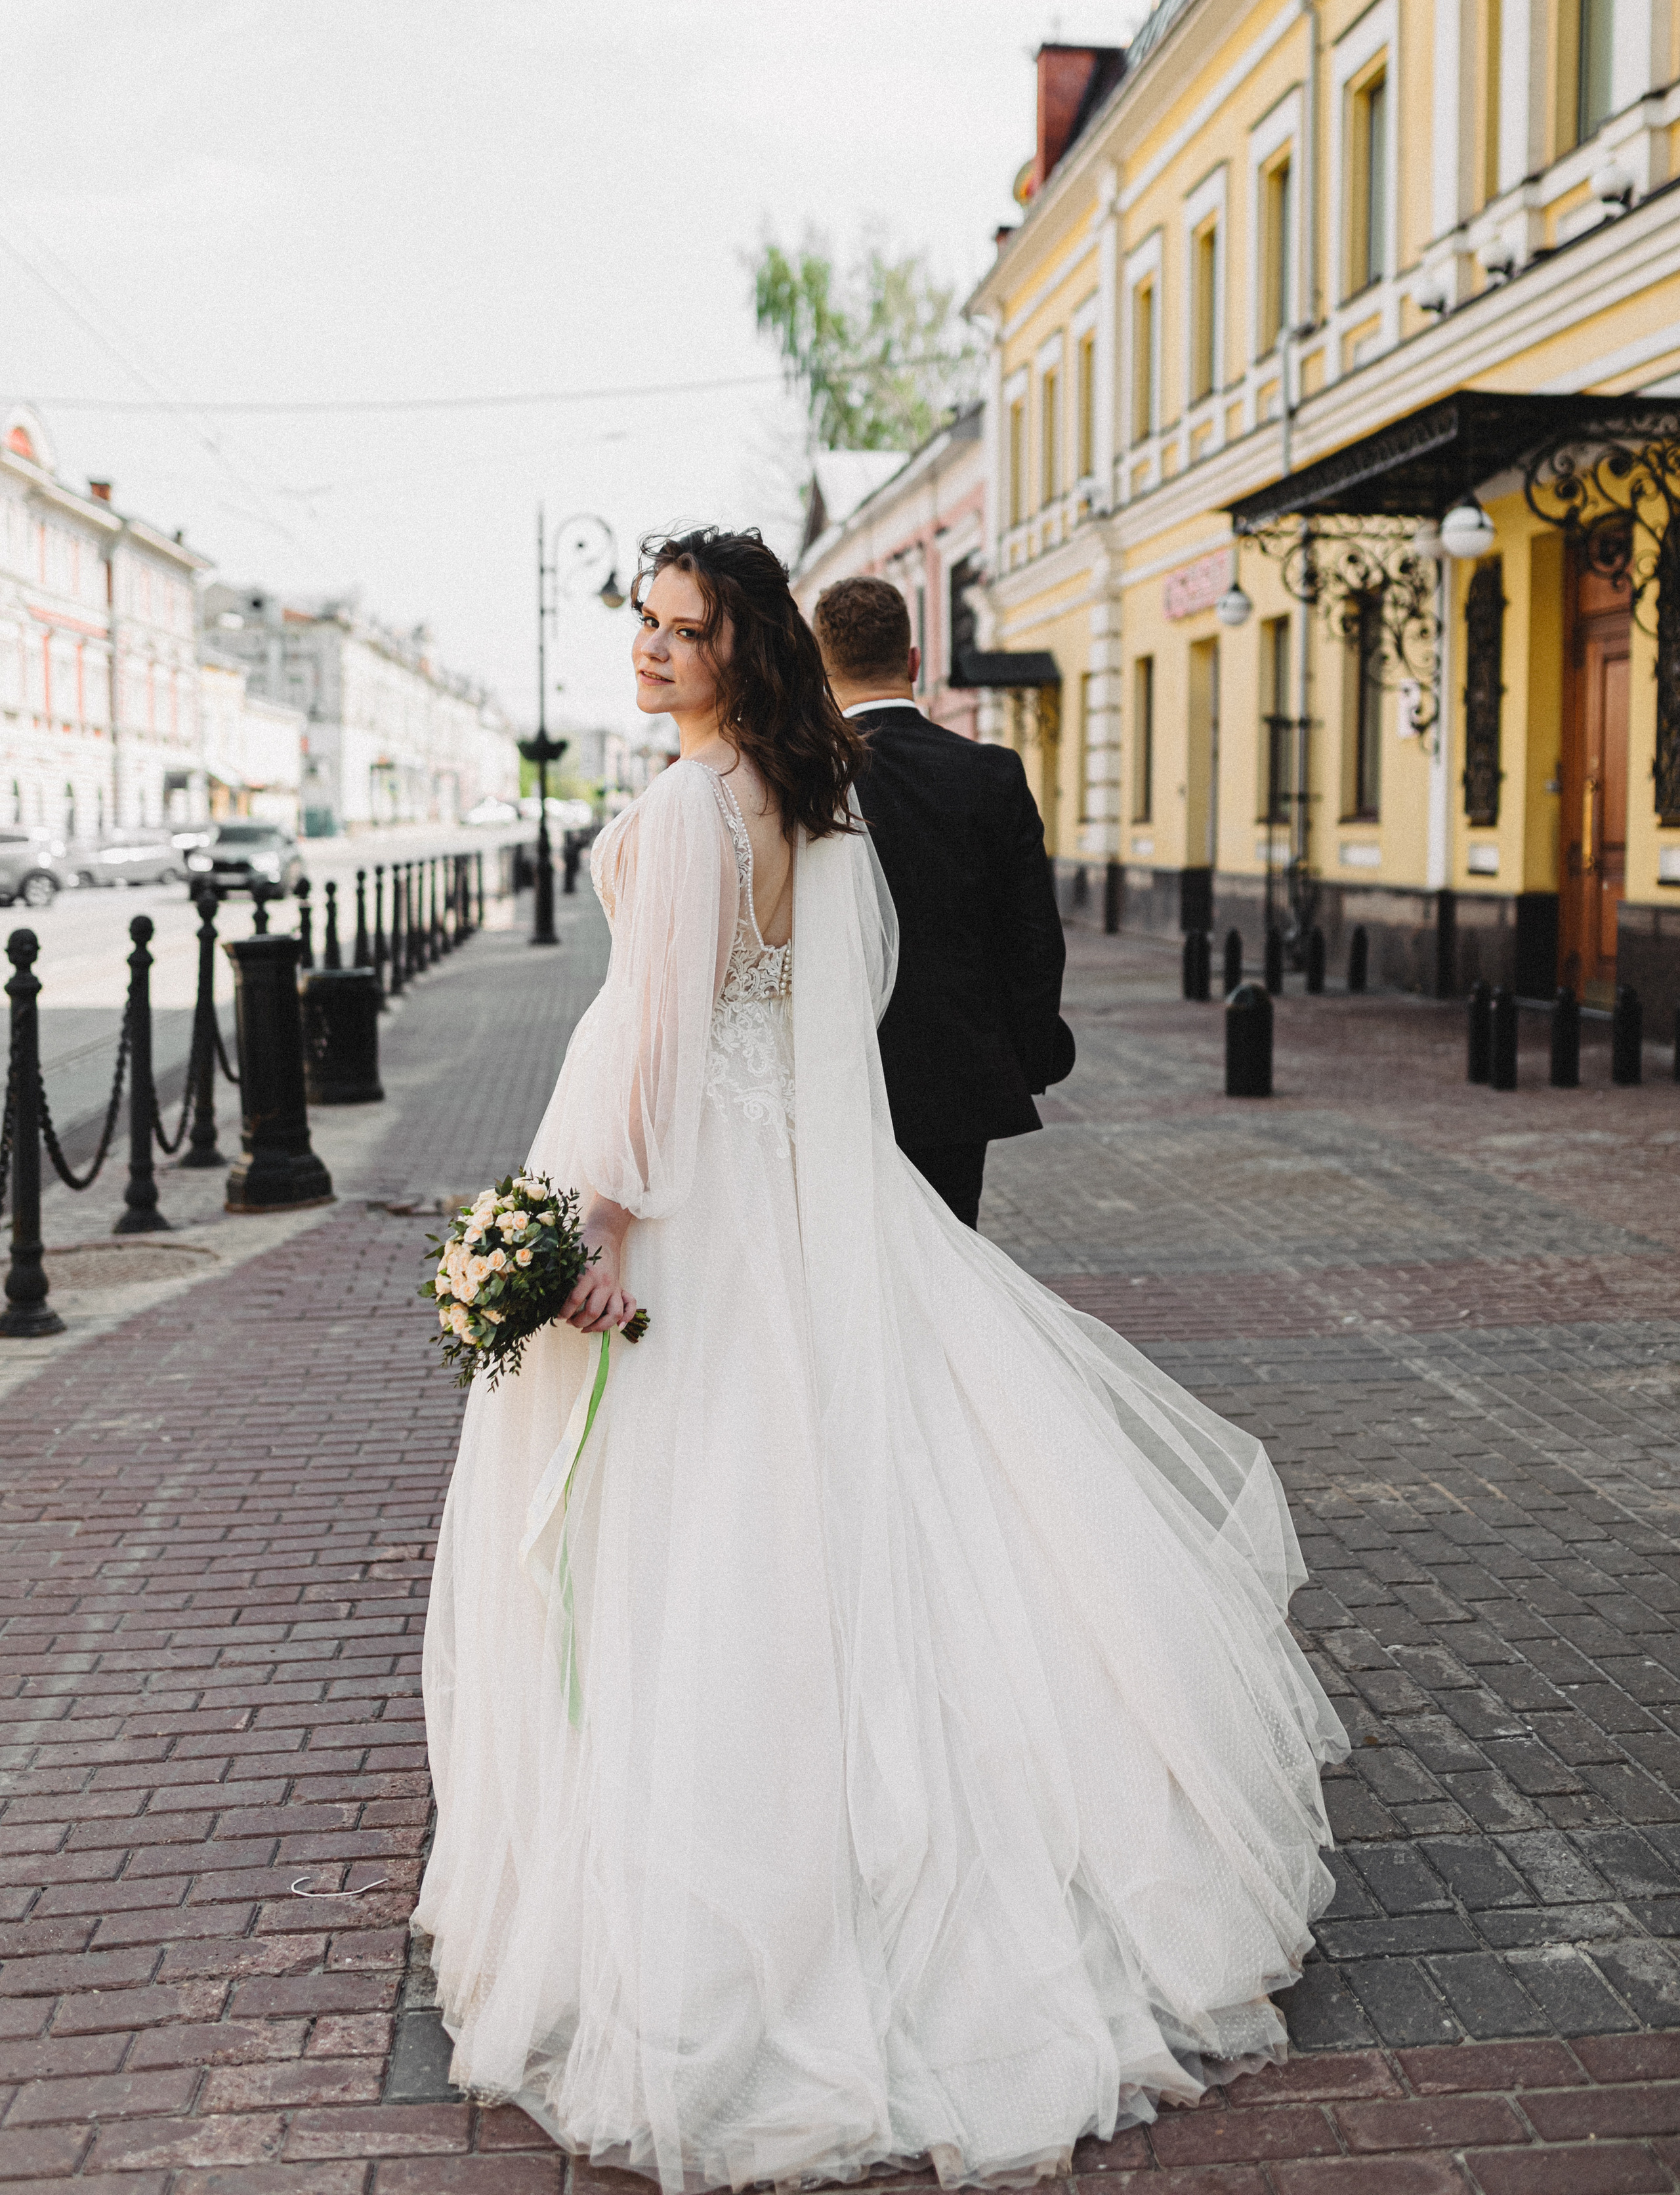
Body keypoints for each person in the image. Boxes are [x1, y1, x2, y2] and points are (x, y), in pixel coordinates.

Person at [416, 527, 1346, 2195]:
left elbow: (661, 1031)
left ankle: (750, 1900)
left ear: (740, 649)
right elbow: (812, 1019)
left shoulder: (699, 810)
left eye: (679, 632)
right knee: (856, 1486)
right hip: (802, 1180)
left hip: (696, 1190)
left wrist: (600, 1221)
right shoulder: (806, 799)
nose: (646, 650)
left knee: (710, 1523)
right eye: (638, 622)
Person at [812, 574, 1071, 1228]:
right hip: (959, 1077)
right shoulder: (991, 774)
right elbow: (1034, 939)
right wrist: (1028, 1055)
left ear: (820, 668)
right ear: (913, 663)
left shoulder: (805, 778)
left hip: (835, 1077)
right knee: (951, 1260)